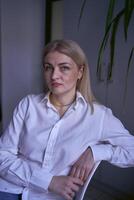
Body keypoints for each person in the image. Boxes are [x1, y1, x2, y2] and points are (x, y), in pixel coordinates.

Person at [0, 39, 134, 200]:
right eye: (48, 67)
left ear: (80, 72)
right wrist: (49, 181)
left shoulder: (99, 116)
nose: (54, 75)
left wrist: (96, 152)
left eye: (64, 68)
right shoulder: (28, 105)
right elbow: (2, 156)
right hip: (10, 186)